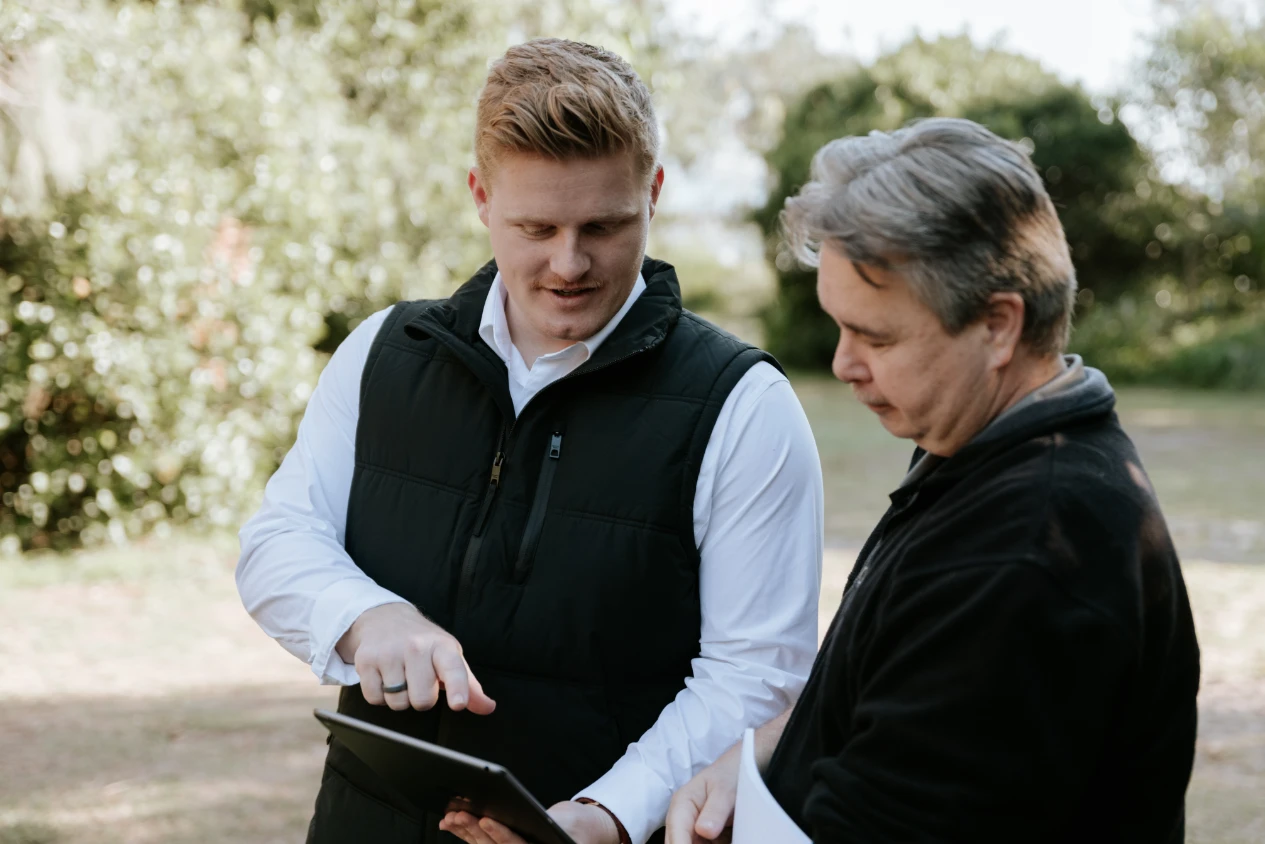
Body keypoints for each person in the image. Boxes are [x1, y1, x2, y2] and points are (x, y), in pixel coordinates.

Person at [235, 38, 824, 844]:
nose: (568, 263)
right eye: (535, 226)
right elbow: (278, 540)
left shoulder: (745, 407)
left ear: (653, 192)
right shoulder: (383, 351)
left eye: (604, 227)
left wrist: (604, 814)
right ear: (480, 196)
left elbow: (755, 678)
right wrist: (366, 616)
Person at [665, 117, 1201, 844]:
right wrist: (757, 754)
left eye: (876, 337)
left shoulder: (1023, 550)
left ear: (998, 327)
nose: (842, 364)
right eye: (839, 327)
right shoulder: (982, 452)